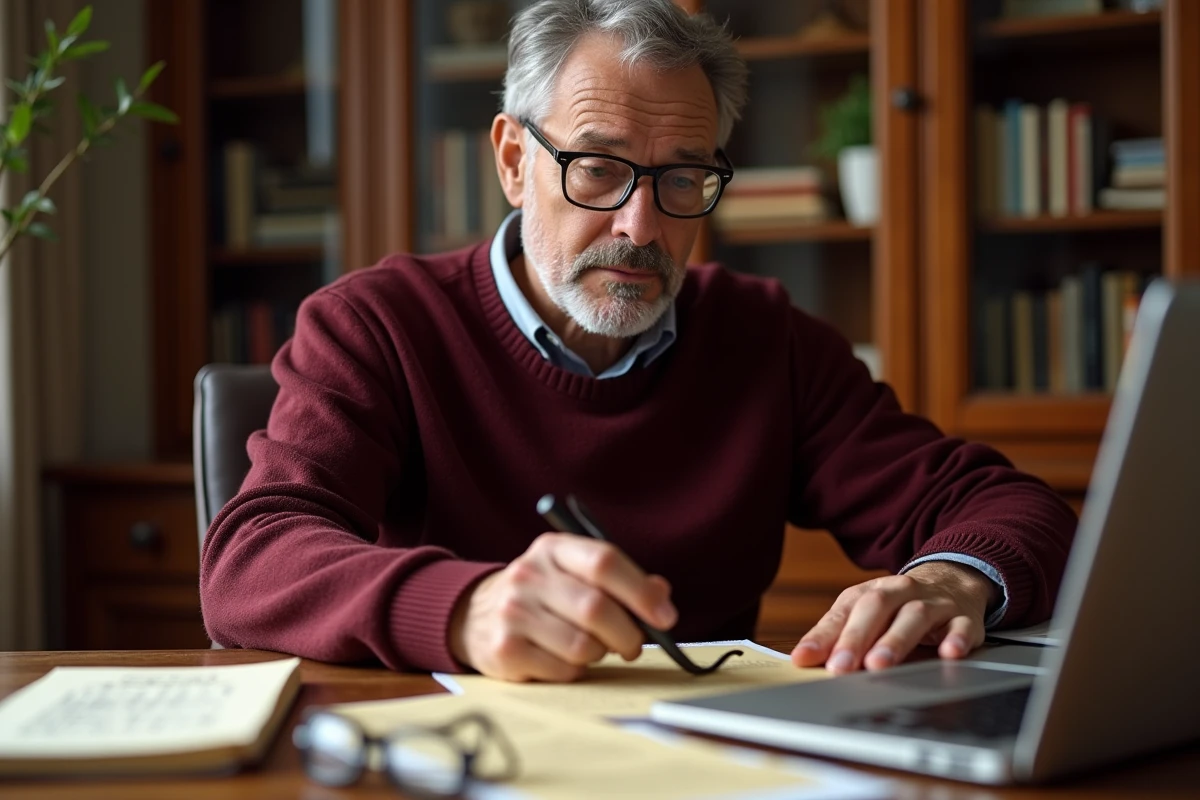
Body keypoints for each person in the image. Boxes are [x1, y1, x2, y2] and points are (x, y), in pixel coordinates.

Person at [200, 0, 1076, 683]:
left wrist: (948, 581)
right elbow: (253, 560)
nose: (642, 225)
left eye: (683, 176)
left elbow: (1016, 511)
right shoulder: (375, 325)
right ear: (513, 160)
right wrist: (465, 608)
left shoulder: (764, 338)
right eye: (600, 167)